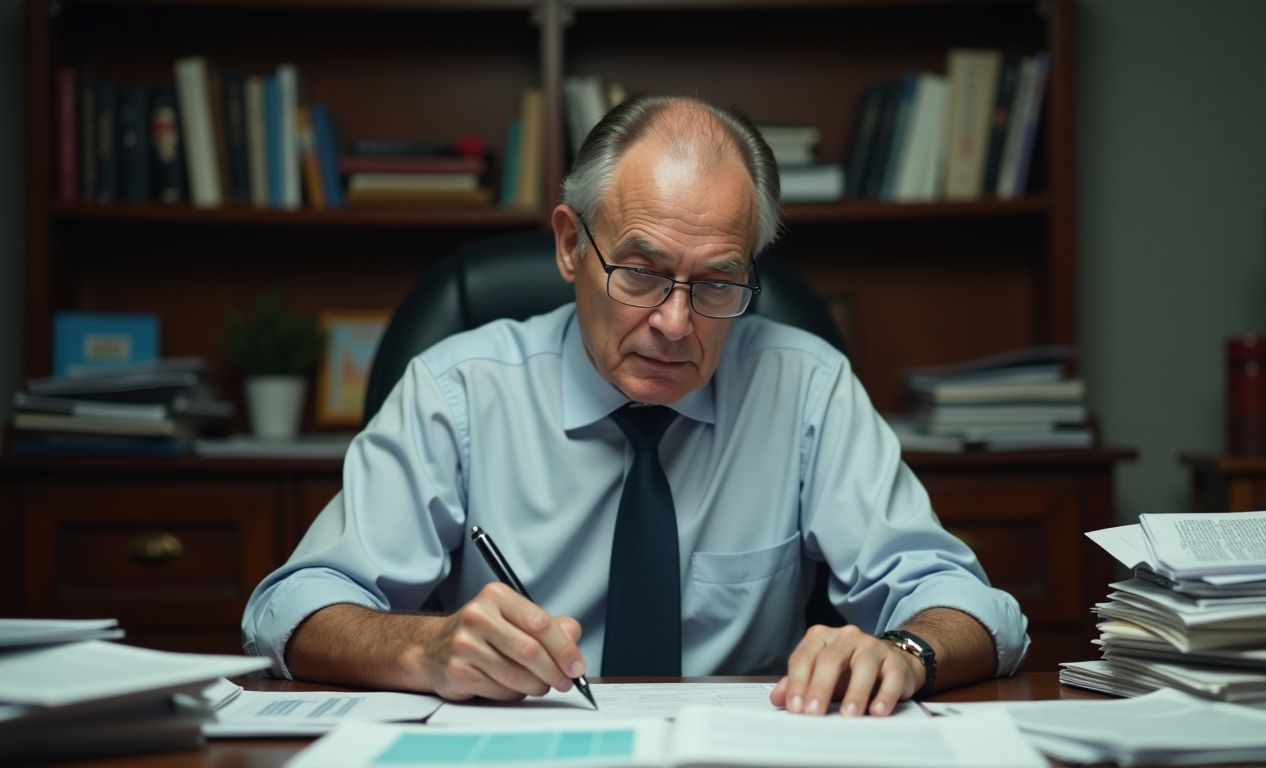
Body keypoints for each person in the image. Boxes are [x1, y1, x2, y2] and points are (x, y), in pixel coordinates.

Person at [242, 94, 1028, 717]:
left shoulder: (807, 389)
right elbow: (293, 607)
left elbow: (971, 606)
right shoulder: (458, 392)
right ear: (570, 246)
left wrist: (905, 652)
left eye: (719, 282)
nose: (677, 323)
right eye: (642, 272)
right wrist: (426, 646)